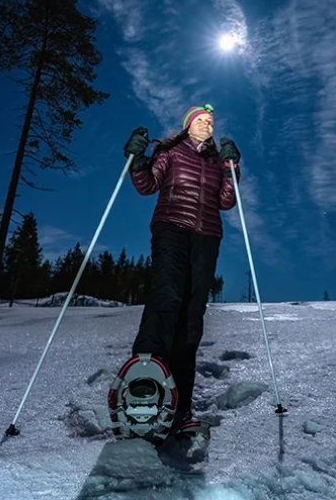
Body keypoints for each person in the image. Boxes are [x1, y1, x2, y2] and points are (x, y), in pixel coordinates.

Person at [121, 103, 242, 434]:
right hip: (172, 227)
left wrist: (232, 168)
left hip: (206, 238)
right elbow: (147, 186)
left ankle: (180, 406)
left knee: (192, 317)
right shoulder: (171, 151)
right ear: (188, 125)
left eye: (210, 122)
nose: (206, 124)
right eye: (200, 120)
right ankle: (144, 382)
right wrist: (138, 161)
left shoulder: (217, 161)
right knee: (168, 295)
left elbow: (227, 202)